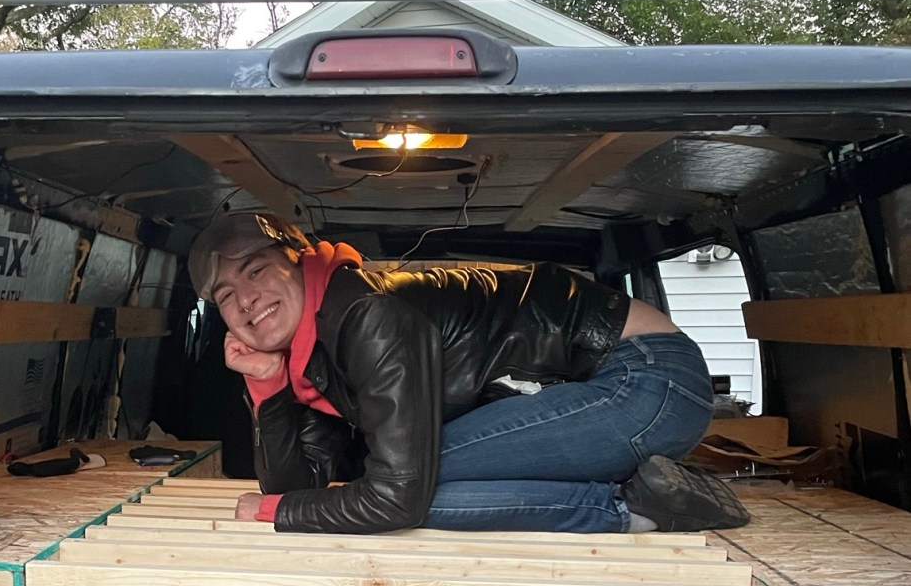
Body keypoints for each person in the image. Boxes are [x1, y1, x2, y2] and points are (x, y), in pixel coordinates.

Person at [187, 210, 750, 536]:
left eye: (256, 270)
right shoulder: (314, 357)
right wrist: (267, 382)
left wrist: (280, 512)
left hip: (646, 380)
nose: (246, 301)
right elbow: (294, 488)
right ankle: (648, 496)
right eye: (226, 295)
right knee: (402, 481)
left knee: (411, 485)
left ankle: (631, 508)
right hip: (614, 395)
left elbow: (393, 496)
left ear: (299, 259)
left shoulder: (363, 314)